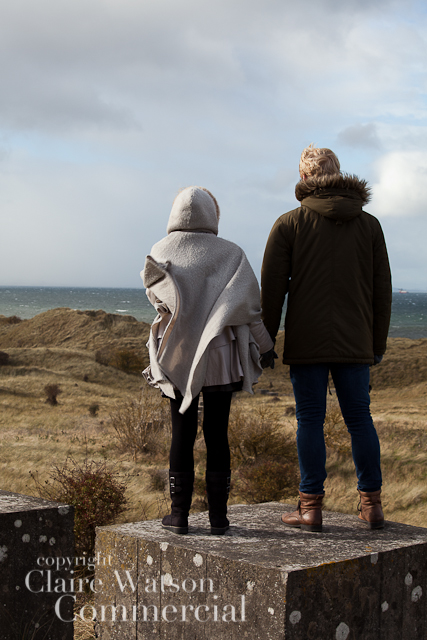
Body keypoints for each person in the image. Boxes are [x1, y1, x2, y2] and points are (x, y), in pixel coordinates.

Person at [260, 145, 392, 532]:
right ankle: (372, 505)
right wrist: (377, 345)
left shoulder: (289, 224)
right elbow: (382, 291)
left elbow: (272, 293)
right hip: (355, 341)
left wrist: (266, 342)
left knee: (310, 421)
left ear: (303, 179)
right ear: (339, 175)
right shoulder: (370, 225)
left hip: (308, 341)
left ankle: (310, 507)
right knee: (360, 420)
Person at [142, 186, 274, 535]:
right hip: (221, 355)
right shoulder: (232, 254)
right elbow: (248, 311)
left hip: (177, 354)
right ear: (212, 215)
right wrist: (265, 347)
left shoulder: (159, 250)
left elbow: (157, 298)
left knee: (181, 434)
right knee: (218, 435)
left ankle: (179, 515)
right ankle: (219, 518)